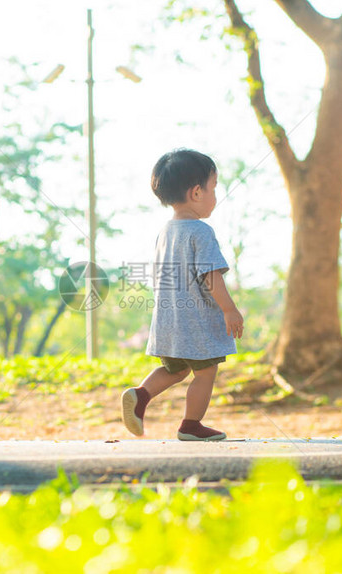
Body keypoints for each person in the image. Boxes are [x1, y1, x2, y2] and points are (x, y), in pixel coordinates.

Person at [121, 149, 244, 441]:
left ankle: (140, 395)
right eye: (214, 188)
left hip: (168, 319)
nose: (215, 195)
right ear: (197, 192)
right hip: (195, 321)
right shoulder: (200, 231)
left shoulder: (165, 231)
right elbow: (210, 275)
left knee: (175, 370)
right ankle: (191, 425)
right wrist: (229, 310)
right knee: (206, 371)